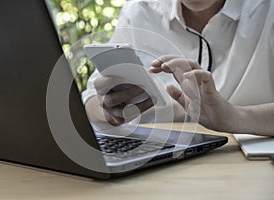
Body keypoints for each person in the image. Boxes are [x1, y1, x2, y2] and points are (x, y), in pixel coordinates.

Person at [82, 0, 274, 136]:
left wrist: (236, 117)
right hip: (154, 163)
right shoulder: (140, 11)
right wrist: (109, 111)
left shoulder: (267, 10)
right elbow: (91, 99)